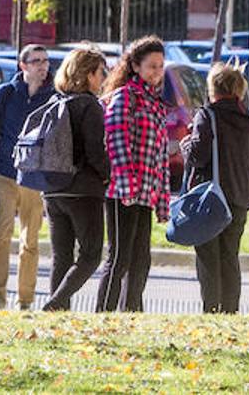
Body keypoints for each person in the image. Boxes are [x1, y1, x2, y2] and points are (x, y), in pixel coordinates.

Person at [181, 62, 249, 313]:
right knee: (230, 256)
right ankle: (231, 310)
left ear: (213, 89)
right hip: (239, 197)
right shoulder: (247, 120)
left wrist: (186, 143)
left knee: (208, 257)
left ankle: (211, 309)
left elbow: (197, 155)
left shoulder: (207, 116)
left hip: (209, 197)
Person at [0, 43, 55, 310]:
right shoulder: (5, 94)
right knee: (0, 235)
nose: (43, 66)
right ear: (23, 66)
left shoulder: (53, 97)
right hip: (4, 174)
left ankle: (25, 300)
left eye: (45, 61)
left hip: (34, 178)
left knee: (30, 241)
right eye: (36, 61)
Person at [97, 35, 169, 312]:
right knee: (119, 259)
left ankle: (131, 314)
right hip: (122, 192)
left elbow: (160, 157)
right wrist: (127, 187)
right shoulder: (125, 96)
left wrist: (162, 199)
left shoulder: (155, 102)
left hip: (146, 193)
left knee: (141, 260)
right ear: (136, 66)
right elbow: (116, 142)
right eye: (152, 66)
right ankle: (103, 314)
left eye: (160, 66)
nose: (157, 72)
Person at [42, 46, 110, 312]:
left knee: (61, 256)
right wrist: (108, 175)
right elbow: (95, 151)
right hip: (83, 191)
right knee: (91, 255)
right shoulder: (89, 106)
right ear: (89, 74)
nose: (103, 78)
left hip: (53, 189)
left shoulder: (56, 102)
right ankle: (56, 302)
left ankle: (58, 313)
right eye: (100, 72)